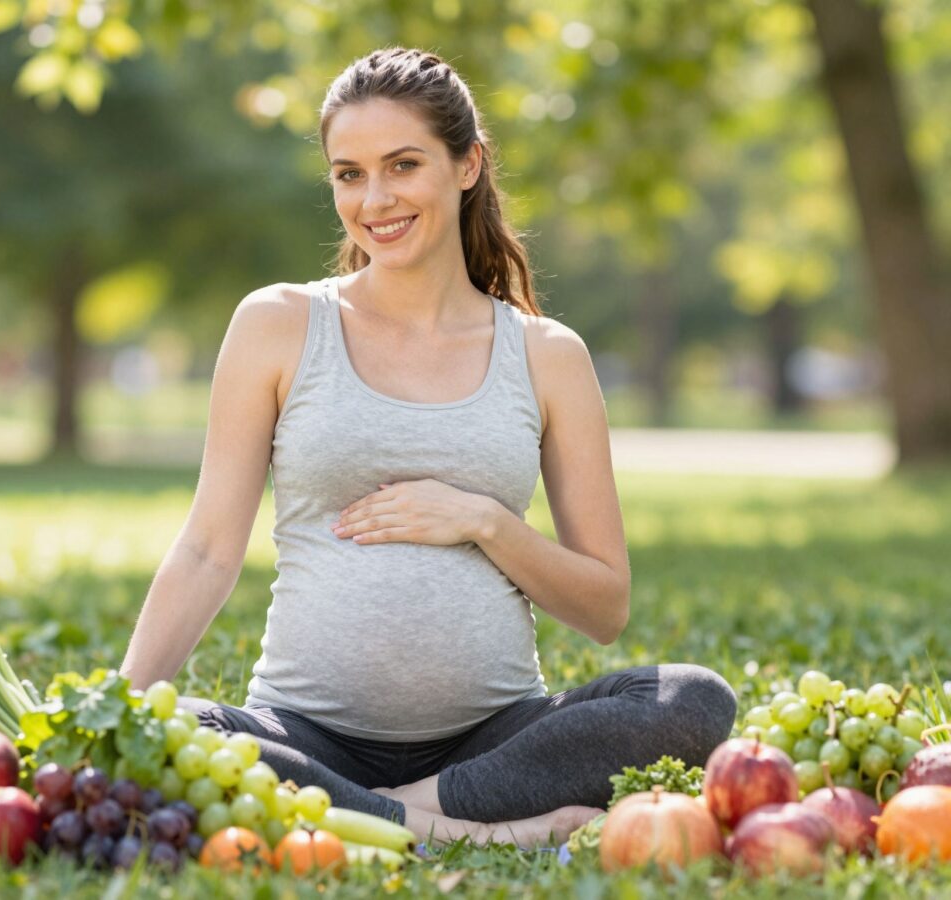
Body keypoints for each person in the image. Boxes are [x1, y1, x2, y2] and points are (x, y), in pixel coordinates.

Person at [120, 47, 736, 849]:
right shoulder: (277, 325)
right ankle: (472, 830)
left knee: (694, 702)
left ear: (467, 164)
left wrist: (484, 520)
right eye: (348, 174)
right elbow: (206, 550)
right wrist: (115, 718)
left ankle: (361, 812)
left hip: (497, 735)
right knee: (183, 730)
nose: (374, 199)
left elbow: (604, 606)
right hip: (305, 730)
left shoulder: (549, 356)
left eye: (403, 165)